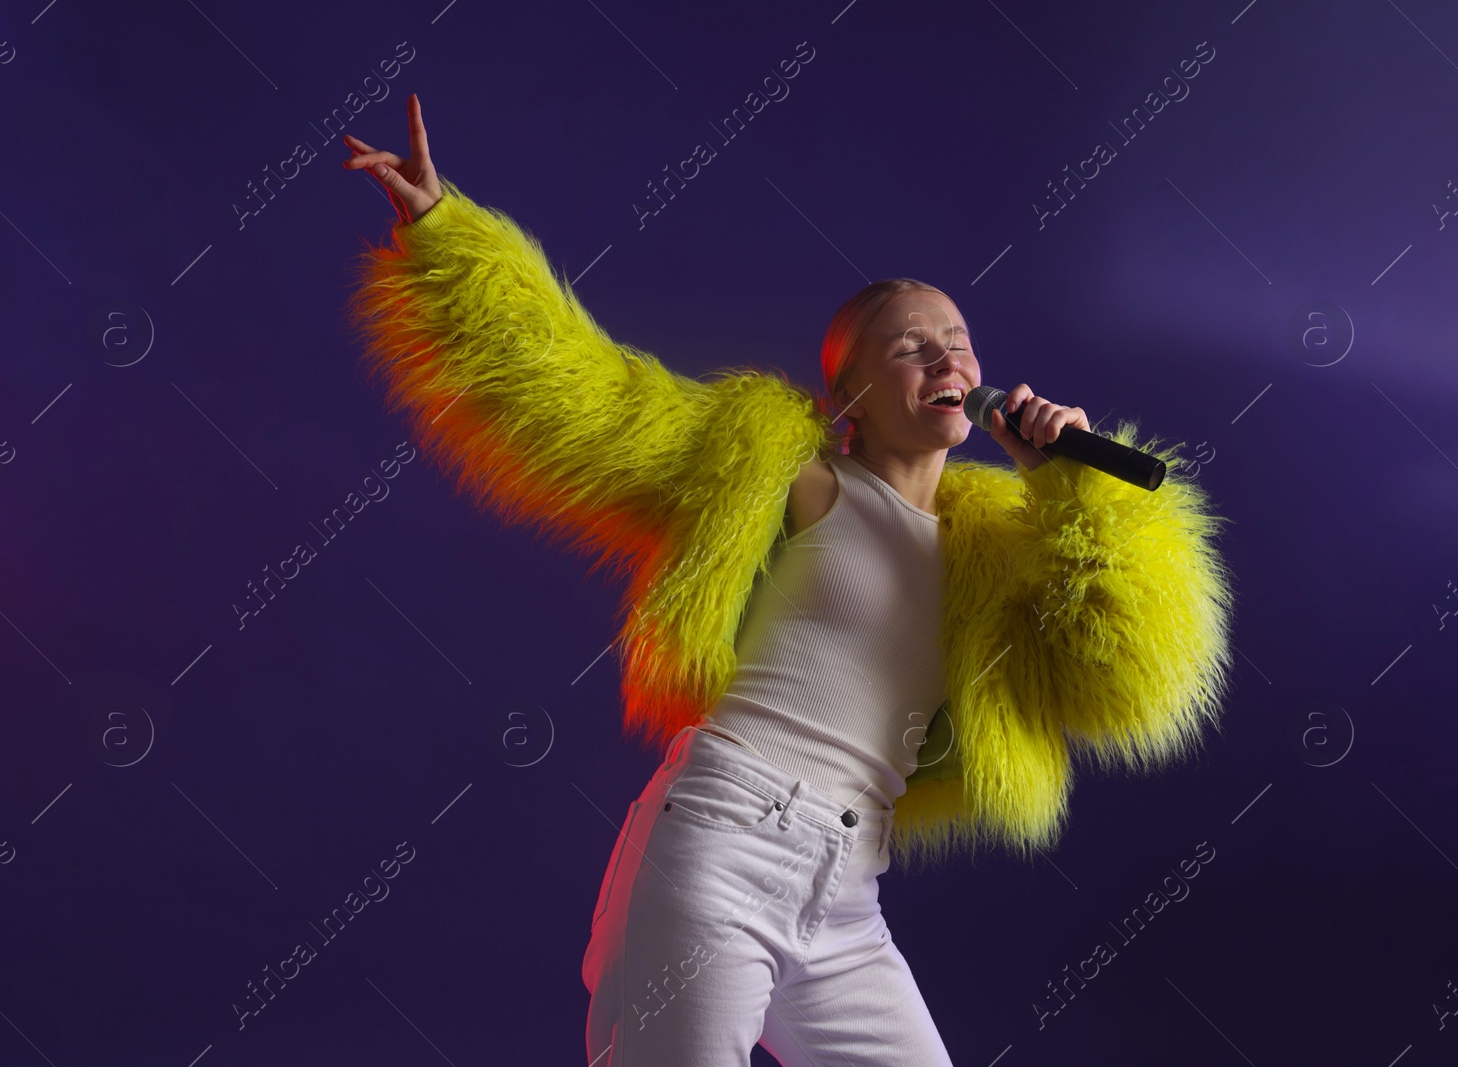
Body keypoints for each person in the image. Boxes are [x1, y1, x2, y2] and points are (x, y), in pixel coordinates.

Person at [343, 94, 1235, 1067]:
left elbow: (1131, 671)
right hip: (721, 843)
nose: (948, 356)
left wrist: (1069, 490)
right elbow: (593, 399)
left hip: (848, 891)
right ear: (848, 393)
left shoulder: (991, 547)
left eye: (958, 339)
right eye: (911, 344)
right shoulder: (793, 473)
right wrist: (446, 233)